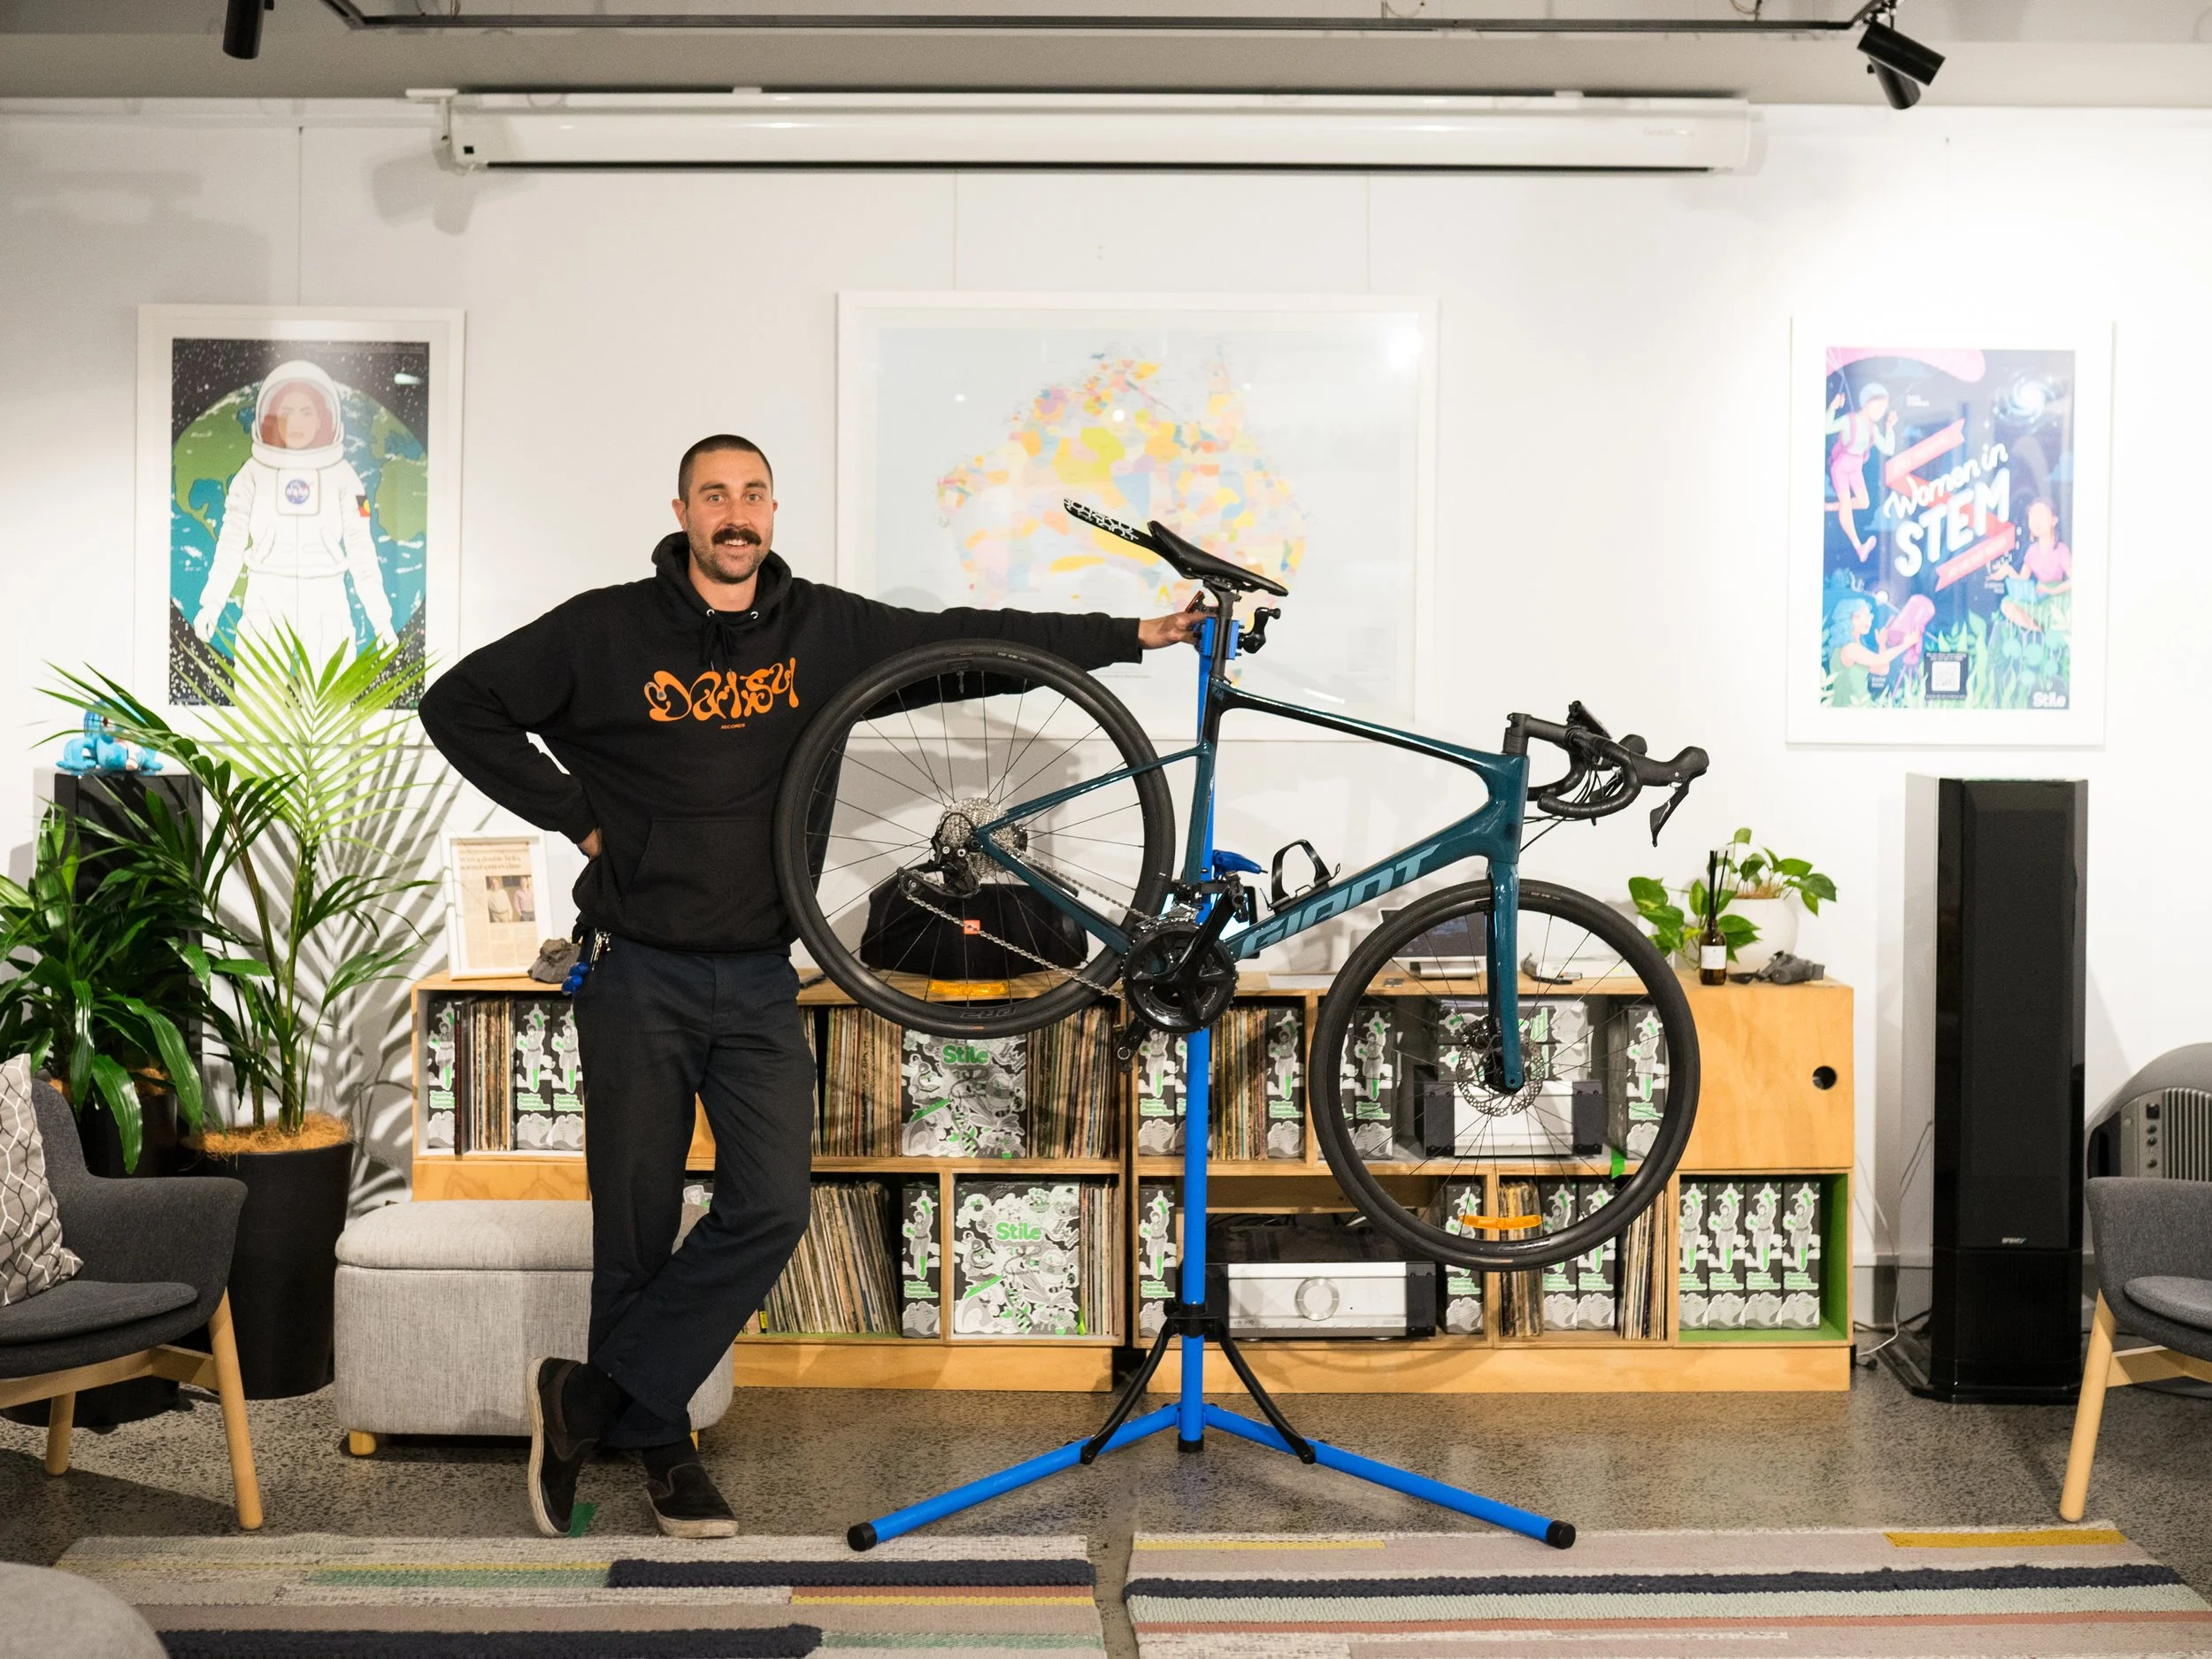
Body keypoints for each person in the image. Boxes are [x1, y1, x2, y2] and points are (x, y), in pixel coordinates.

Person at [419, 434, 1204, 1539]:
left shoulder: (826, 632)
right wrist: (572, 812)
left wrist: (1130, 635)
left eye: (750, 495)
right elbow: (459, 702)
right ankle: (663, 1449)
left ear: (773, 510)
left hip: (754, 975)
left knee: (771, 1208)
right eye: (712, 496)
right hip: (634, 971)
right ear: (681, 510)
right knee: (634, 1231)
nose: (733, 514)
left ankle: (587, 1400)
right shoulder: (603, 629)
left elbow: (962, 644)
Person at [194, 359, 399, 670]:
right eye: (286, 413)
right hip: (266, 595)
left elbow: (361, 550)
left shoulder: (344, 476)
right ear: (271, 419)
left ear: (323, 420)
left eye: (307, 412)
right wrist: (212, 604)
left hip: (326, 596)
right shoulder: (252, 474)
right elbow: (230, 545)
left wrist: (381, 619)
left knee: (331, 707)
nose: (296, 422)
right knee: (258, 703)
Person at [1824, 382, 1897, 561]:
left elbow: (1888, 449)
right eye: (1878, 405)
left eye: (1883, 407)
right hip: (1842, 467)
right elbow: (1826, 429)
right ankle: (1859, 546)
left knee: (1864, 502)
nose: (1880, 411)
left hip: (1856, 468)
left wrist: (1889, 428)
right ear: (1866, 402)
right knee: (1847, 505)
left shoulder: (1874, 429)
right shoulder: (1849, 420)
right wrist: (1832, 408)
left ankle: (1828, 507)